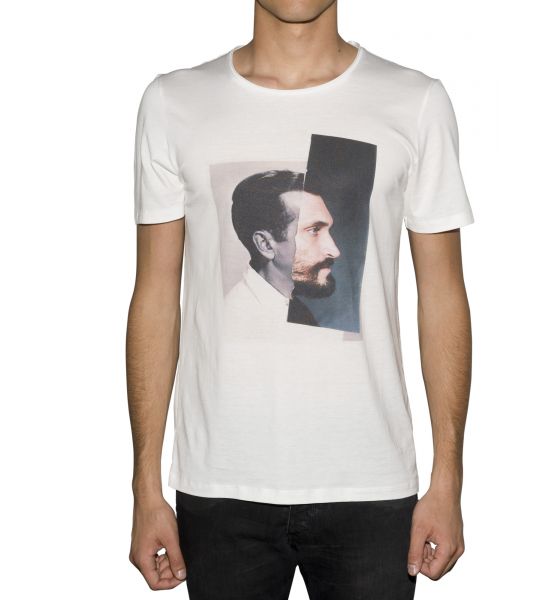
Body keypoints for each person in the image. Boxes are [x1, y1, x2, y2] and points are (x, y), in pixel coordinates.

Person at [126, 1, 474, 598]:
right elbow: (156, 297)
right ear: (264, 243)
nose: (333, 247)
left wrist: (449, 480)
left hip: (371, 487)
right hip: (220, 489)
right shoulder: (173, 103)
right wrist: (145, 488)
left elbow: (442, 294)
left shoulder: (415, 101)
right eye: (314, 231)